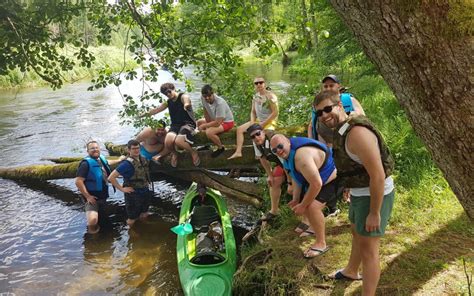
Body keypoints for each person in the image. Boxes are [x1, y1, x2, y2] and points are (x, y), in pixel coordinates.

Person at [314, 90, 395, 295]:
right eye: (319, 113)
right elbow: (353, 164)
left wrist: (375, 212)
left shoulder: (357, 133)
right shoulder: (342, 129)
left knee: (370, 251)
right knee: (356, 233)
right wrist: (349, 186)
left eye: (327, 109)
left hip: (374, 195)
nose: (324, 115)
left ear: (340, 105)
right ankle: (351, 270)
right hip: (360, 193)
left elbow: (377, 175)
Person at [270, 134, 337, 258]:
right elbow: (296, 178)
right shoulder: (287, 156)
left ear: (288, 142)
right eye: (274, 150)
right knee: (302, 200)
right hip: (318, 178)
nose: (278, 151)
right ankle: (312, 227)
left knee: (312, 206)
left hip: (332, 175)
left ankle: (321, 243)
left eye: (280, 146)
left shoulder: (301, 158)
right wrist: (296, 199)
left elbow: (316, 184)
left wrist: (303, 205)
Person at [75, 140, 125, 234]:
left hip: (102, 196)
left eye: (96, 148)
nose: (95, 150)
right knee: (92, 222)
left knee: (102, 218)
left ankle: (102, 237)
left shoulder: (100, 159)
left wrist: (119, 160)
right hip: (92, 198)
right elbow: (78, 181)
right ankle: (93, 240)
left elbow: (107, 162)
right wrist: (88, 196)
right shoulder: (85, 164)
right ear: (87, 151)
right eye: (92, 148)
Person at [148, 83, 200, 167]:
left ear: (174, 89)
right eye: (165, 94)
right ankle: (175, 154)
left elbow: (186, 100)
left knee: (178, 141)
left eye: (169, 91)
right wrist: (145, 114)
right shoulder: (168, 102)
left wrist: (186, 105)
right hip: (175, 125)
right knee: (168, 142)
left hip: (188, 124)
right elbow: (156, 110)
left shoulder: (182, 96)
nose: (168, 94)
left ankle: (193, 152)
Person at [228, 77, 278, 160]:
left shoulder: (270, 96)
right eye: (256, 83)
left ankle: (266, 154)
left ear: (264, 83)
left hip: (270, 122)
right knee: (239, 129)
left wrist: (263, 124)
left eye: (261, 82)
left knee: (261, 135)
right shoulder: (255, 96)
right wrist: (252, 122)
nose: (259, 84)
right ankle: (238, 152)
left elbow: (275, 113)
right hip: (258, 121)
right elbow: (253, 112)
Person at [247, 124, 287, 222]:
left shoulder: (274, 140)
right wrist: (270, 175)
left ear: (263, 132)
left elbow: (286, 161)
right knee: (273, 181)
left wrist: (291, 182)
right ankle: (274, 211)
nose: (256, 137)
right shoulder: (256, 143)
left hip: (293, 163)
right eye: (253, 136)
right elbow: (262, 158)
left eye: (258, 134)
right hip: (282, 164)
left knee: (295, 185)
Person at [108, 140, 154, 226]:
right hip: (133, 194)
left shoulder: (143, 159)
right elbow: (111, 177)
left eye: (138, 148)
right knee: (132, 218)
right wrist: (122, 189)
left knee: (144, 212)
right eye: (133, 149)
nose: (136, 150)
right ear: (129, 150)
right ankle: (132, 234)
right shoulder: (126, 164)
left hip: (145, 190)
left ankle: (144, 227)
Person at [196, 84, 235, 158]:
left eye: (209, 96)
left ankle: (221, 148)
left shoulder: (220, 103)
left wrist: (205, 126)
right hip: (216, 119)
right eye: (205, 96)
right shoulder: (203, 98)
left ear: (213, 93)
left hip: (227, 122)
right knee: (199, 122)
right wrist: (207, 123)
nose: (207, 98)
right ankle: (207, 145)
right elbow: (206, 111)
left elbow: (218, 123)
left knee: (209, 132)